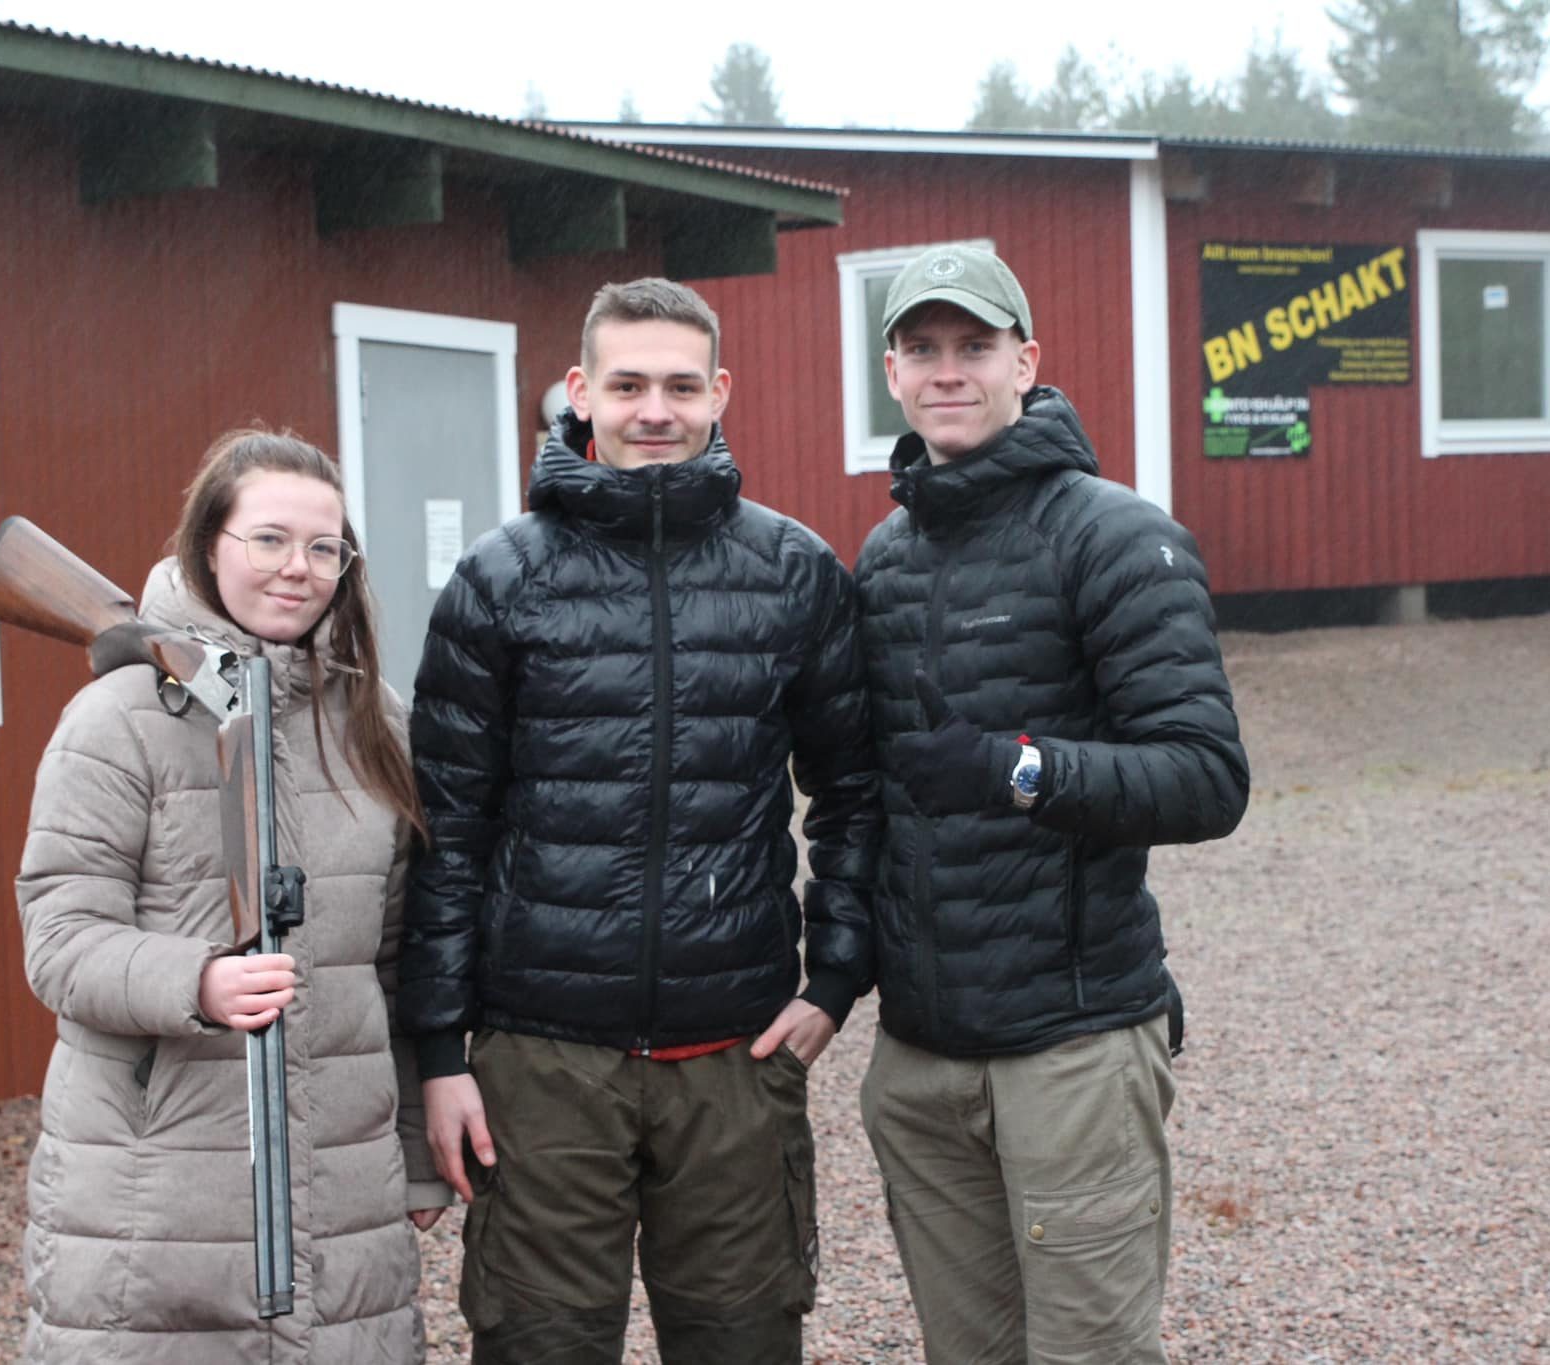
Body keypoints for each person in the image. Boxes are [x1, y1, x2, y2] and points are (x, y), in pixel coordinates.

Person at [398, 278, 877, 1364]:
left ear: (719, 394)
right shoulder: (501, 580)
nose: (652, 409)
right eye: (627, 384)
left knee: (743, 1342)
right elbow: (448, 827)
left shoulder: (793, 572)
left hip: (734, 1054)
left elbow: (853, 791)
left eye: (677, 384)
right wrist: (439, 1051)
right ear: (581, 392)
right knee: (541, 1346)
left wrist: (835, 980)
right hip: (542, 1059)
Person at [853, 244, 1250, 1364]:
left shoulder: (1114, 536)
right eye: (923, 349)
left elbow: (1207, 779)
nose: (948, 372)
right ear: (892, 370)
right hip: (923, 1060)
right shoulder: (883, 560)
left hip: (1072, 1049)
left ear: (1025, 360)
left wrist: (1020, 768)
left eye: (974, 346)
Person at [14, 429, 448, 1363]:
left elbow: (394, 962)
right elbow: (59, 935)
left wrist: (411, 1149)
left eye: (324, 547)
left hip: (343, 1198)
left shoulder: (375, 723)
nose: (299, 568)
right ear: (206, 545)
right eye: (268, 539)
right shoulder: (115, 718)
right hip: (151, 1196)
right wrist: (198, 979)